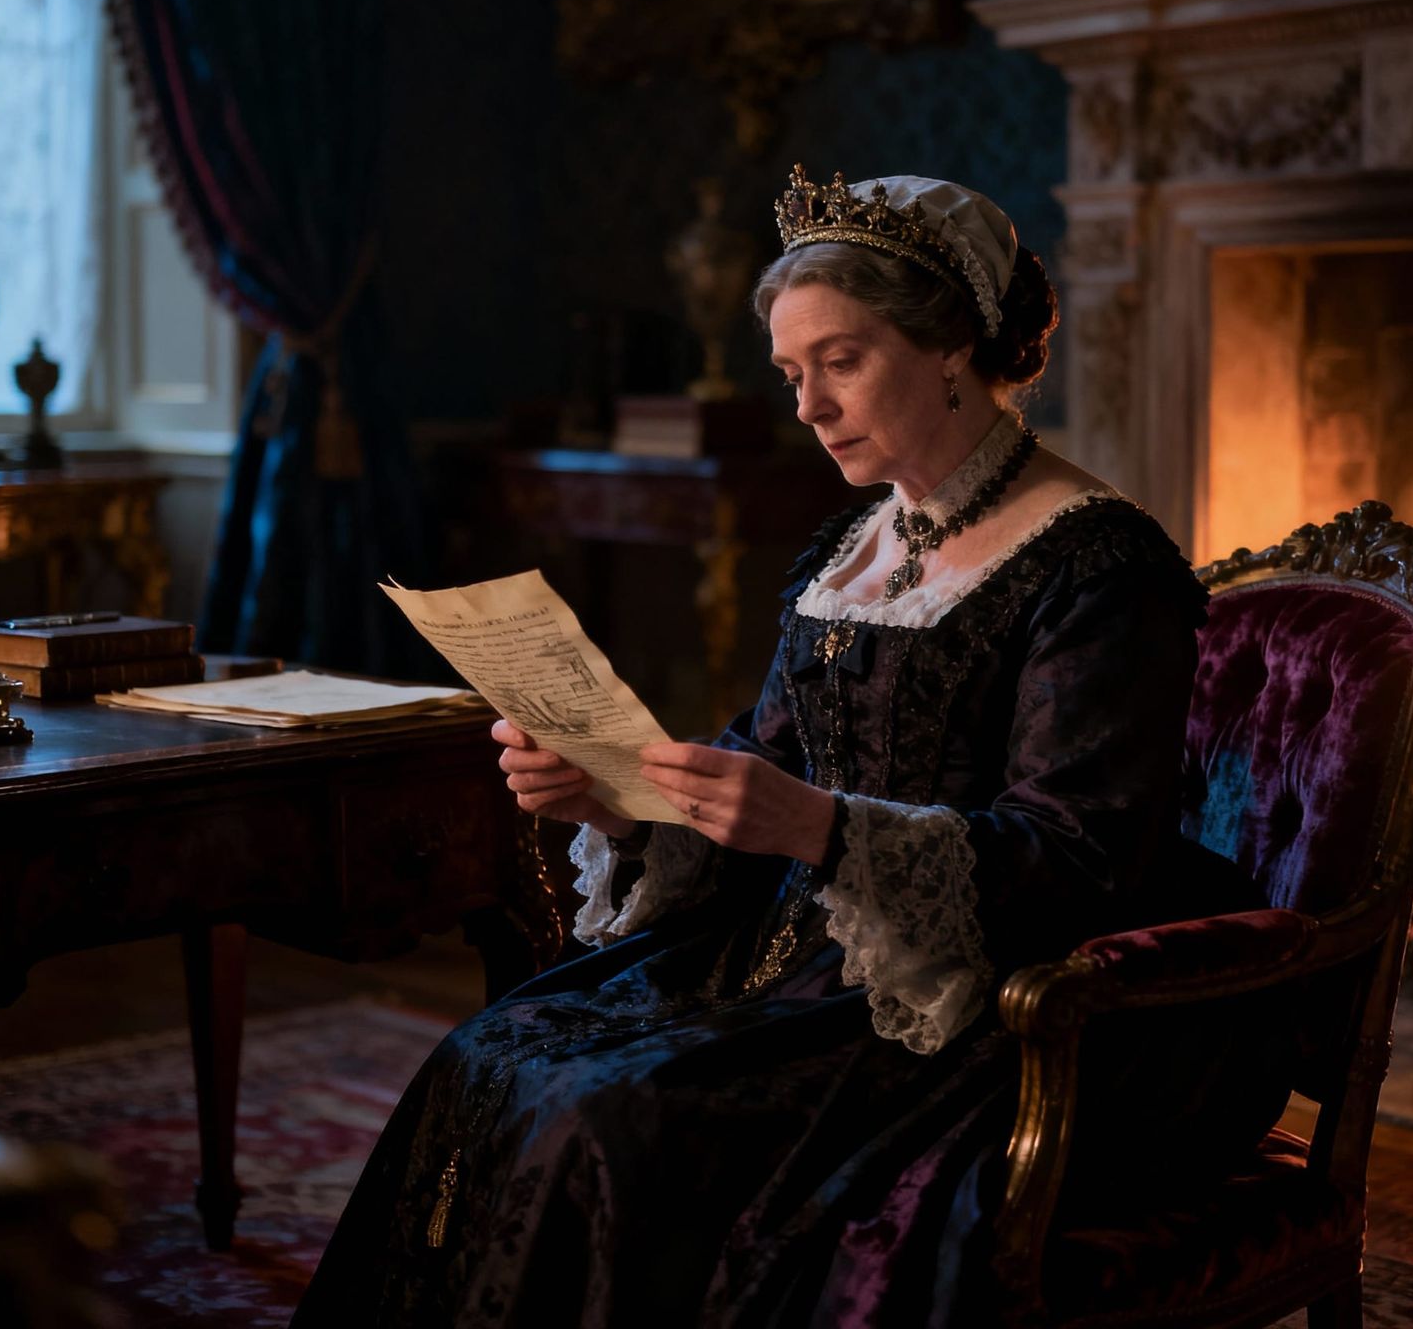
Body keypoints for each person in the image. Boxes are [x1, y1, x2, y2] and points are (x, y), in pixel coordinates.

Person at [291, 167, 1286, 1328]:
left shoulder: (1097, 565)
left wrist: (816, 827)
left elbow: (1080, 858)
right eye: (790, 373)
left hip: (1001, 998)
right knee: (494, 1054)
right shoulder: (849, 548)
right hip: (787, 949)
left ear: (953, 344)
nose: (807, 407)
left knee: (615, 1119)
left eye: (842, 362)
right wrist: (613, 798)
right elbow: (754, 762)